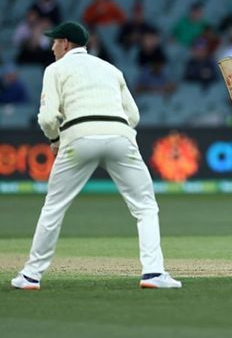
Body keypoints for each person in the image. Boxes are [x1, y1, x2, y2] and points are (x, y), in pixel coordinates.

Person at [10, 21, 181, 290]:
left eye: (55, 42)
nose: (52, 47)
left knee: (54, 208)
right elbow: (134, 117)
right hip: (121, 136)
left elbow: (46, 118)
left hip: (78, 137)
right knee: (146, 207)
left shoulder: (55, 69)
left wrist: (55, 140)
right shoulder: (111, 69)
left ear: (65, 43)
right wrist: (113, 132)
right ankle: (154, 273)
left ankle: (31, 275)